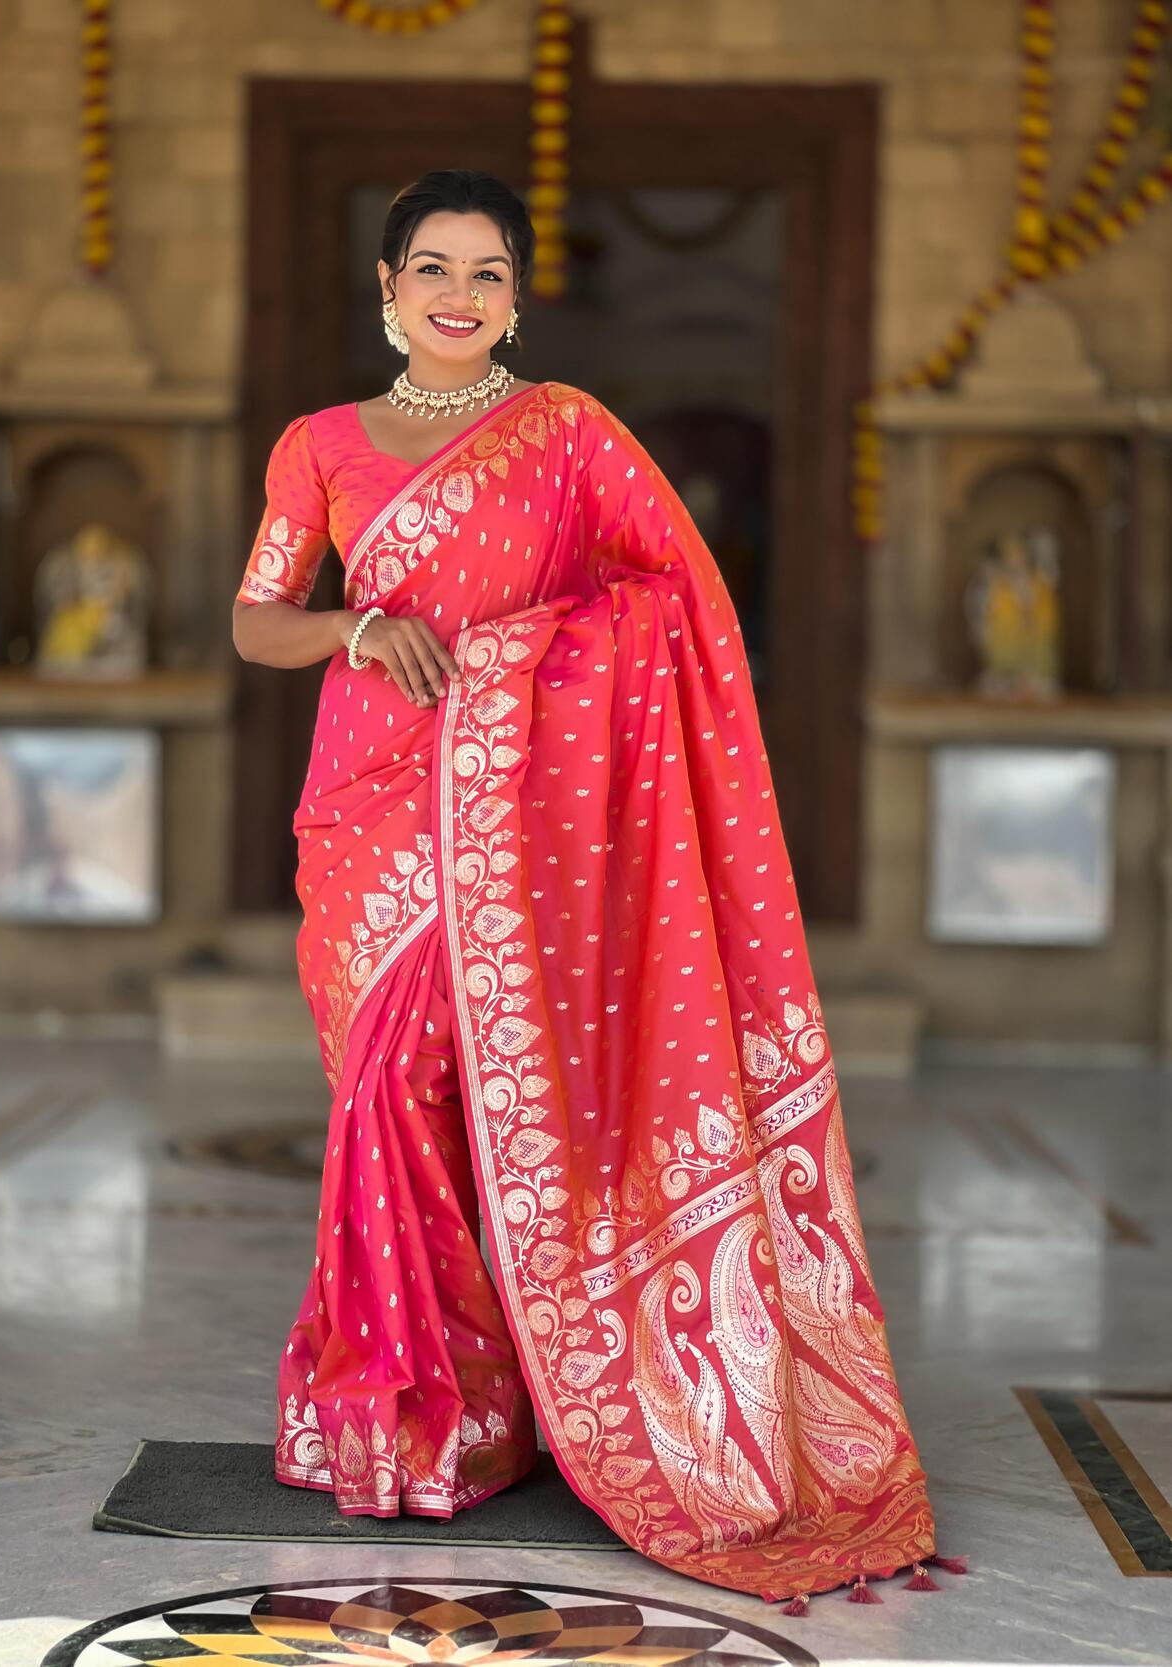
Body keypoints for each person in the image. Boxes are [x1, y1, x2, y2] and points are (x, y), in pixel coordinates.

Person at [232, 168, 947, 1611]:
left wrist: (512, 664)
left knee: (447, 1079)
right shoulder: (316, 444)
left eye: (487, 273)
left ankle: (463, 1408)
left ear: (515, 297)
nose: (457, 294)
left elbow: (677, 602)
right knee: (379, 1093)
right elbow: (258, 623)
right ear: (385, 288)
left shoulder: (567, 438)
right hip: (366, 805)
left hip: (519, 822)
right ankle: (401, 1397)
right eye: (432, 266)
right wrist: (359, 629)